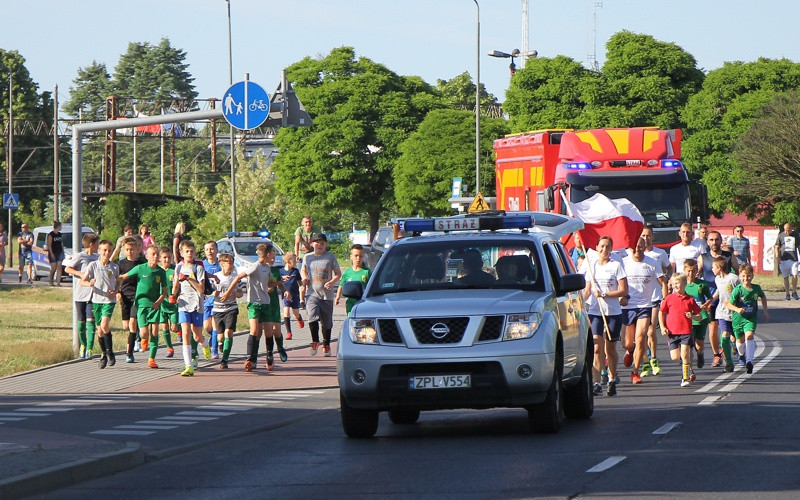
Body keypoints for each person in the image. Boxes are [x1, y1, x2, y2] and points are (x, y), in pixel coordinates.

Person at [581, 236, 627, 397]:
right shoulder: (591, 265)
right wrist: (579, 303)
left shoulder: (616, 265)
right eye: (601, 247)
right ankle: (596, 382)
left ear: (611, 249)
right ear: (597, 247)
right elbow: (587, 290)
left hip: (613, 313)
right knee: (596, 348)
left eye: (607, 247)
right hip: (595, 312)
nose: (604, 250)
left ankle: (612, 378)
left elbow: (623, 290)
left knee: (610, 349)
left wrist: (605, 294)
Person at [220, 243, 273, 372]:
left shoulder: (267, 267)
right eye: (272, 254)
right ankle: (250, 359)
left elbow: (268, 284)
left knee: (268, 332)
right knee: (254, 331)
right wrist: (227, 293)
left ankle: (269, 356)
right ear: (267, 254)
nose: (273, 256)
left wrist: (280, 282)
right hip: (254, 303)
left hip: (266, 302)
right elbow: (238, 276)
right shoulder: (254, 267)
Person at [621, 237, 665, 384]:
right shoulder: (624, 263)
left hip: (645, 306)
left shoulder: (652, 263)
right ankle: (629, 350)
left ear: (645, 247)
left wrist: (664, 298)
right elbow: (618, 283)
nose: (637, 250)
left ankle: (635, 371)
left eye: (640, 246)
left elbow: (662, 281)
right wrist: (621, 297)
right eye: (635, 247)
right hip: (627, 306)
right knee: (627, 343)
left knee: (640, 338)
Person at [118, 245, 168, 369]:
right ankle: (144, 339)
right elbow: (124, 276)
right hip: (141, 304)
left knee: (155, 331)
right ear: (147, 256)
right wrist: (110, 281)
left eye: (157, 255)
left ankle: (151, 359)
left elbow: (164, 291)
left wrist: (158, 301)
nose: (155, 257)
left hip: (155, 305)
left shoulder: (161, 272)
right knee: (144, 333)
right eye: (153, 254)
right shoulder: (140, 268)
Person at [173, 240, 212, 376]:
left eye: (191, 251)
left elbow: (201, 289)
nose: (189, 254)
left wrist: (189, 278)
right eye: (186, 251)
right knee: (185, 334)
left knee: (197, 336)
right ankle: (188, 366)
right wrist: (173, 295)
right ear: (181, 253)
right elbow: (176, 284)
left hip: (197, 304)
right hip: (183, 304)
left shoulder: (198, 268)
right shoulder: (178, 267)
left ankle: (205, 344)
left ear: (195, 253)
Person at [80, 240, 119, 369]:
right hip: (97, 300)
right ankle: (104, 354)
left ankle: (110, 352)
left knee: (104, 325)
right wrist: (89, 283)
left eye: (109, 251)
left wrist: (116, 291)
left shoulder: (114, 267)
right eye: (104, 250)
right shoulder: (93, 265)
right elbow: (82, 282)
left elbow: (117, 281)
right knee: (100, 331)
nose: (107, 253)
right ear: (99, 251)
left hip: (109, 300)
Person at [301, 233, 341, 356]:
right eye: (317, 243)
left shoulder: (330, 257)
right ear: (312, 244)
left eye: (322, 243)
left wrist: (332, 282)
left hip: (326, 295)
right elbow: (303, 269)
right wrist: (304, 278)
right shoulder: (307, 257)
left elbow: (338, 273)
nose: (320, 245)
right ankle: (314, 341)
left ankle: (326, 344)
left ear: (325, 245)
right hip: (312, 293)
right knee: (312, 316)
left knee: (326, 322)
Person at [659, 273, 703, 387]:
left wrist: (692, 316)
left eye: (677, 283)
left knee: (684, 355)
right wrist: (663, 326)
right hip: (672, 332)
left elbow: (700, 316)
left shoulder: (690, 300)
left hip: (686, 331)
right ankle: (688, 365)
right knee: (675, 357)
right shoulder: (669, 298)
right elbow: (661, 312)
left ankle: (685, 378)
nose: (675, 285)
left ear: (684, 284)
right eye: (673, 283)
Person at [703, 230, 739, 366]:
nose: (714, 242)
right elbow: (695, 273)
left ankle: (730, 346)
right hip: (712, 296)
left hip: (728, 297)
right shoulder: (703, 257)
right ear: (708, 242)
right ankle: (716, 354)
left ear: (721, 241)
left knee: (731, 328)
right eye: (711, 240)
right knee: (713, 327)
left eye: (716, 240)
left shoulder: (728, 256)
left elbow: (738, 270)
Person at [725, 263, 769, 374]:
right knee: (739, 342)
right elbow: (729, 304)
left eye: (748, 276)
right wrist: (737, 309)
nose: (746, 278)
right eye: (743, 276)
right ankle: (741, 355)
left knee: (749, 336)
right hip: (738, 320)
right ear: (740, 276)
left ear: (752, 276)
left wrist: (765, 311)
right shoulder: (738, 290)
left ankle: (749, 362)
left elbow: (763, 297)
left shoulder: (756, 288)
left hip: (751, 318)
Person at [640, 226, 671, 377]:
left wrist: (668, 284)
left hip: (655, 297)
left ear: (652, 237)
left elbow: (668, 268)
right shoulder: (635, 255)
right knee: (642, 333)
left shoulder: (660, 253)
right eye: (643, 236)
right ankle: (645, 358)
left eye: (648, 236)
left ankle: (653, 358)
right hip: (640, 300)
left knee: (651, 331)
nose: (646, 238)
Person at [63, 232, 100, 359]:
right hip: (80, 293)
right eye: (97, 244)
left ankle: (90, 348)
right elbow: (67, 269)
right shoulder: (80, 256)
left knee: (91, 319)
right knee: (81, 320)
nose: (98, 246)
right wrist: (80, 273)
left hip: (93, 294)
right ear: (91, 244)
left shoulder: (97, 257)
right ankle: (83, 344)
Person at [116, 237, 146, 360]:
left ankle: (129, 352)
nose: (130, 252)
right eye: (127, 249)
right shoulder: (121, 264)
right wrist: (118, 292)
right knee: (126, 326)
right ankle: (135, 337)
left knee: (133, 323)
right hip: (125, 297)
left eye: (132, 249)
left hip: (137, 297)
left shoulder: (141, 263)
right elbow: (117, 280)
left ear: (137, 250)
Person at [212, 253, 241, 369]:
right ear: (222, 264)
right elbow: (209, 293)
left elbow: (240, 293)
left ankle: (225, 360)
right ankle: (221, 343)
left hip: (231, 307)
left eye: (232, 262)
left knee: (228, 332)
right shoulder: (215, 277)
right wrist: (214, 293)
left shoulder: (235, 277)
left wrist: (235, 293)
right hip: (218, 309)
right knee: (220, 336)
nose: (231, 265)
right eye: (229, 262)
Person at [264, 246, 290, 370]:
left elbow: (279, 284)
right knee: (267, 332)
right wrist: (278, 284)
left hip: (274, 303)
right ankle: (269, 355)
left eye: (274, 258)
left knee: (277, 330)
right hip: (264, 303)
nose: (272, 261)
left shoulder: (275, 271)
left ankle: (280, 347)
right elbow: (267, 285)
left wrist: (285, 291)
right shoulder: (261, 269)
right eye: (271, 258)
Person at [683, 259, 713, 369]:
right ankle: (688, 366)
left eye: (693, 271)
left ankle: (700, 354)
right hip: (687, 318)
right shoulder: (682, 285)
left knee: (699, 344)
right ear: (685, 271)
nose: (691, 274)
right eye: (689, 271)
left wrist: (706, 304)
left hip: (700, 317)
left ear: (697, 271)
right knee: (688, 343)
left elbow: (710, 298)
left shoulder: (702, 285)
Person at [712, 256, 740, 373]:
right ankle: (728, 362)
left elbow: (740, 290)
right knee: (724, 335)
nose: (712, 270)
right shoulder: (717, 279)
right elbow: (719, 291)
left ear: (720, 267)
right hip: (722, 312)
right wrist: (710, 300)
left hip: (734, 312)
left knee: (737, 337)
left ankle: (740, 352)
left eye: (714, 267)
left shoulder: (733, 278)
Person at [335, 244, 372, 315]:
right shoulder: (347, 272)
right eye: (356, 256)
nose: (358, 258)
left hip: (362, 302)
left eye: (360, 256)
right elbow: (341, 285)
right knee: (351, 319)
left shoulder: (366, 272)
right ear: (351, 257)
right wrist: (337, 297)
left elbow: (371, 286)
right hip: (350, 302)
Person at [294, 215, 320, 308]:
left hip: (313, 257)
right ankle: (301, 300)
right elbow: (297, 243)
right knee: (303, 280)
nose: (308, 224)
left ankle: (314, 298)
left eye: (309, 222)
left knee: (314, 279)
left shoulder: (316, 230)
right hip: (302, 257)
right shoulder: (300, 230)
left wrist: (312, 246)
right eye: (306, 222)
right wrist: (296, 255)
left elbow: (318, 242)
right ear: (302, 223)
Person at [202, 241, 222, 359]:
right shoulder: (202, 265)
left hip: (218, 301)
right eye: (207, 249)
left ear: (217, 250)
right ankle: (215, 338)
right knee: (207, 327)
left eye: (212, 249)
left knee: (215, 325)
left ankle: (214, 350)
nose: (210, 251)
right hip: (206, 300)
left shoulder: (220, 265)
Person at [157, 247, 178, 359]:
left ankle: (179, 330)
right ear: (160, 259)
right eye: (164, 257)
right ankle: (169, 347)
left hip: (173, 304)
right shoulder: (158, 271)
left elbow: (178, 286)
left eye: (169, 257)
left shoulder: (174, 270)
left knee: (173, 328)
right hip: (162, 303)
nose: (167, 260)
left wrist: (176, 296)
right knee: (164, 326)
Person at [280, 252, 305, 341]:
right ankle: (289, 332)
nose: (296, 263)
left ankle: (299, 318)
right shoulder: (281, 271)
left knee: (295, 314)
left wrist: (302, 287)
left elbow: (300, 282)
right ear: (288, 261)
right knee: (286, 312)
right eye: (294, 261)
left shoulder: (295, 271)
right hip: (286, 296)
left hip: (295, 295)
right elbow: (279, 283)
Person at [774, 222, 799, 301]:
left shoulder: (796, 235)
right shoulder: (781, 235)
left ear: (791, 228)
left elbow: (799, 246)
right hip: (784, 259)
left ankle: (794, 291)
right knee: (785, 277)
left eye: (788, 230)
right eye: (785, 230)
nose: (787, 232)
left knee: (795, 275)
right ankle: (787, 293)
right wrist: (778, 257)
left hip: (793, 259)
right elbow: (777, 247)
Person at [46, 221, 65, 286]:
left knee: (59, 267)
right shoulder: (51, 235)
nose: (61, 227)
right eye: (60, 226)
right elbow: (49, 245)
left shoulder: (60, 234)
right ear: (58, 227)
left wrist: (63, 251)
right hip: (53, 252)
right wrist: (51, 253)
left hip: (59, 252)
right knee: (53, 267)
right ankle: (51, 280)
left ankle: (58, 282)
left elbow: (61, 243)